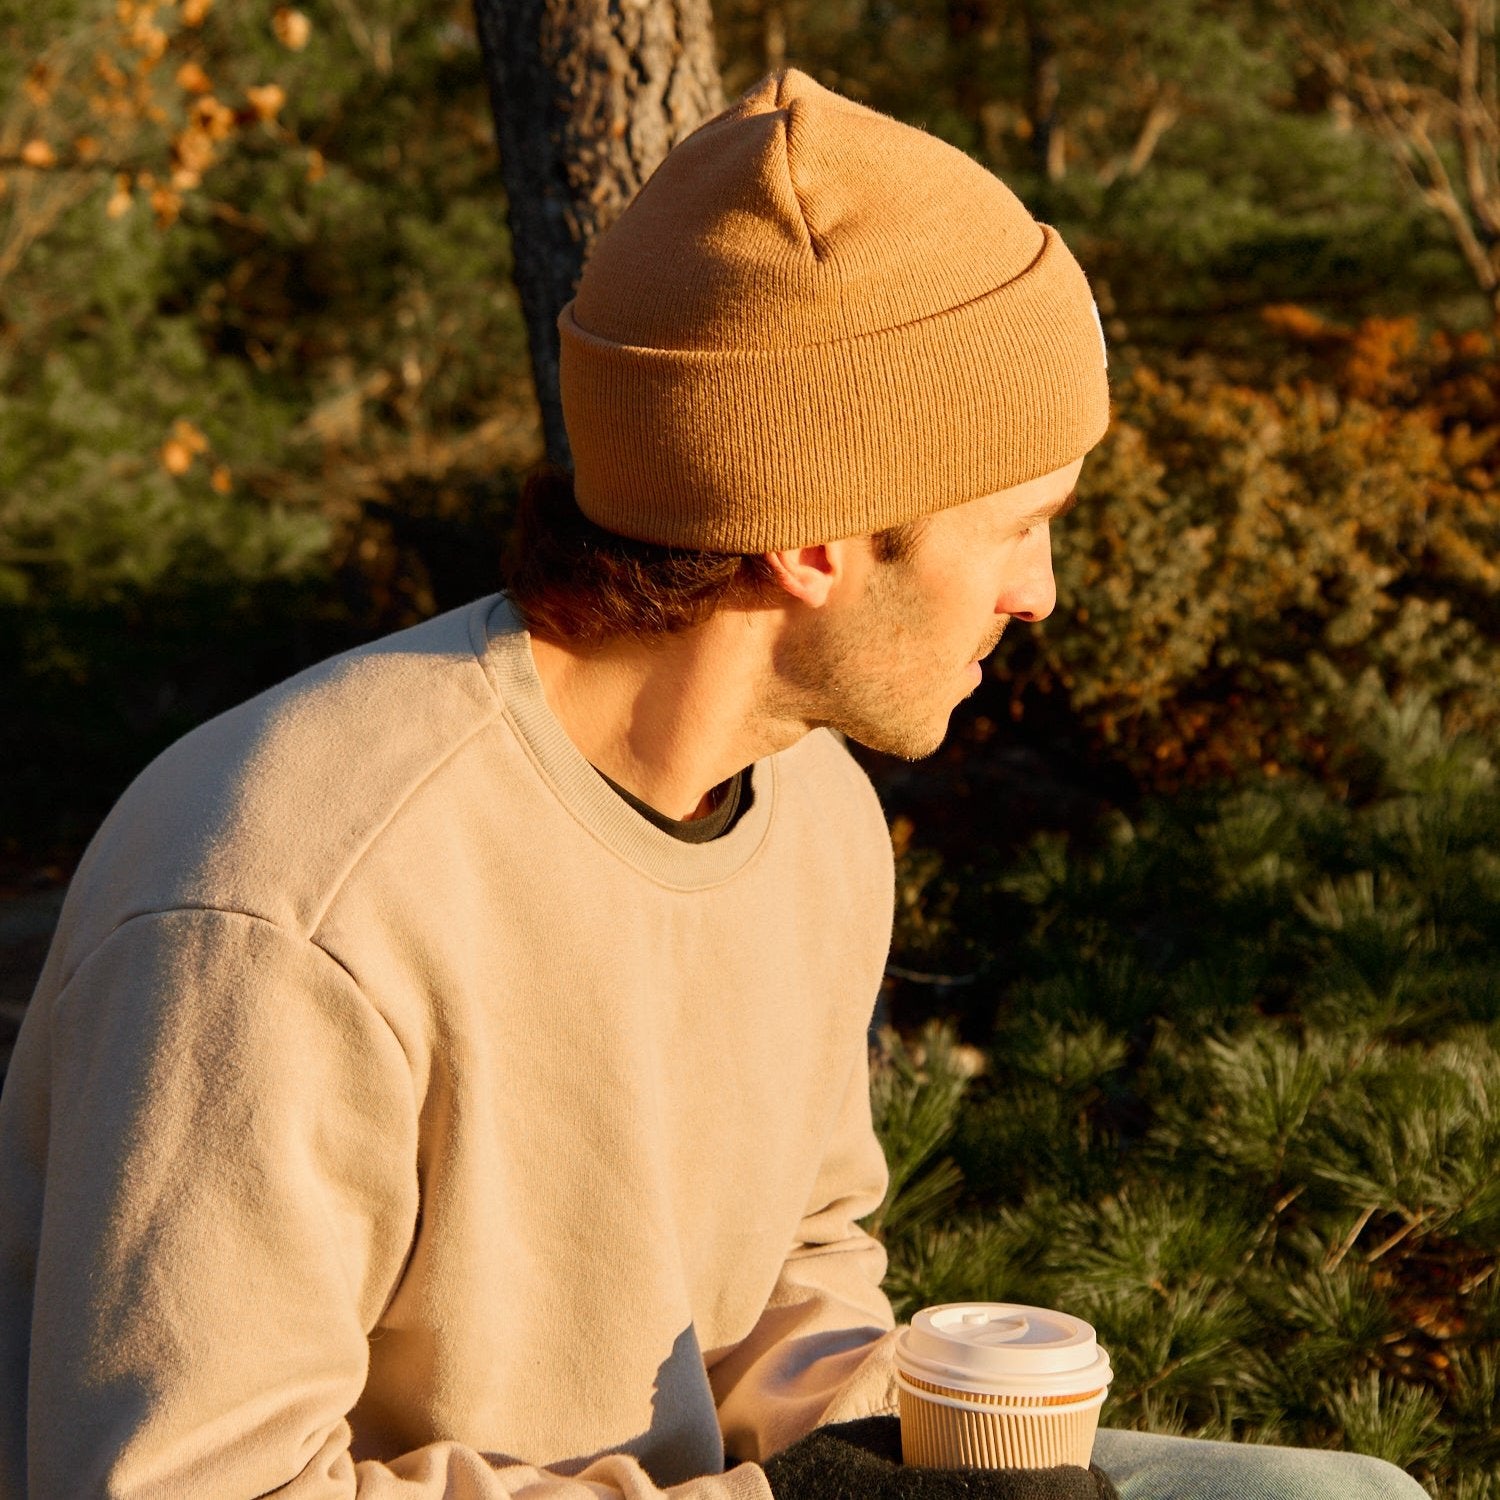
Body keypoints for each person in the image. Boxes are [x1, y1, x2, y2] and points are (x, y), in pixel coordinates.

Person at [0, 69, 1426, 1500]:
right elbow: (188, 1484)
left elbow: (794, 1273)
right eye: (1015, 526)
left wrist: (910, 1450)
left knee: (1347, 1499)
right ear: (812, 537)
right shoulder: (285, 905)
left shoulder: (811, 803)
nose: (1040, 593)